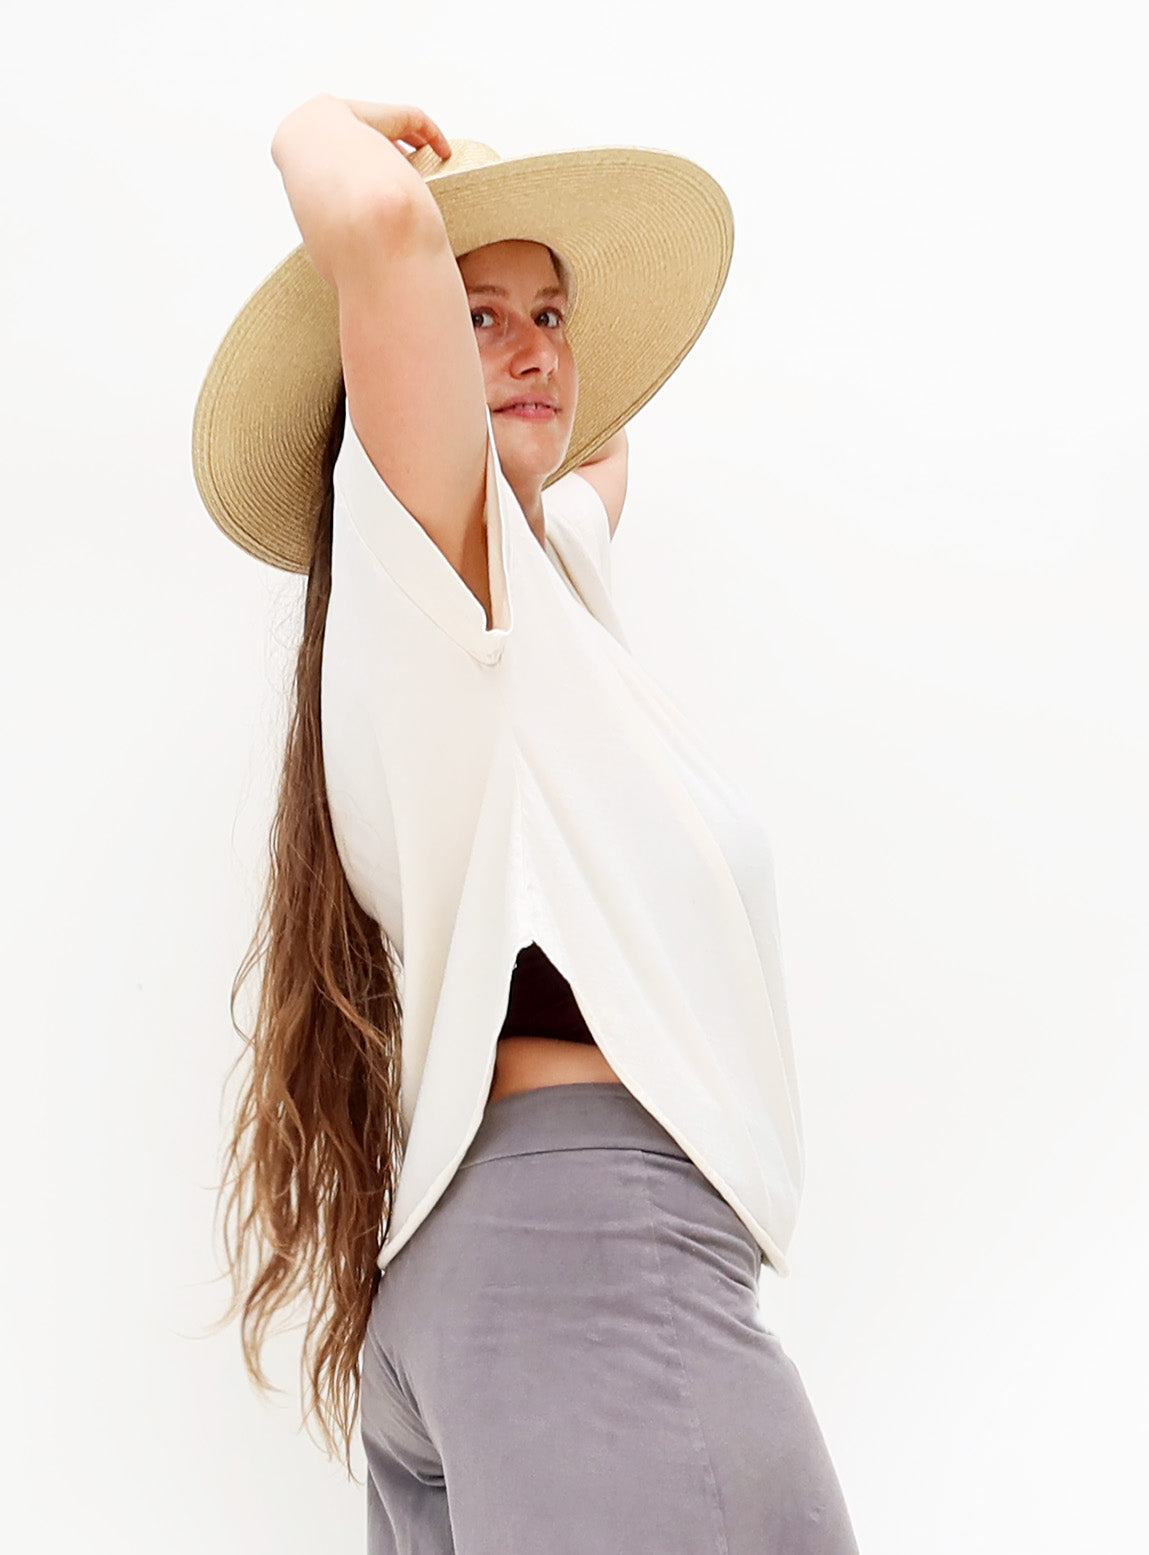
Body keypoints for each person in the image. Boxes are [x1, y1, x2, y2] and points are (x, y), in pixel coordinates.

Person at [193, 93, 859, 1554]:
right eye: (474, 316)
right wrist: (319, 124)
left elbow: (598, 456)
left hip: (502, 1283)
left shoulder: (541, 584)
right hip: (588, 1265)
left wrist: (537, 338)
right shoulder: (444, 582)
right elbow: (377, 226)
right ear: (395, 366)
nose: (535, 346)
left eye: (549, 314)